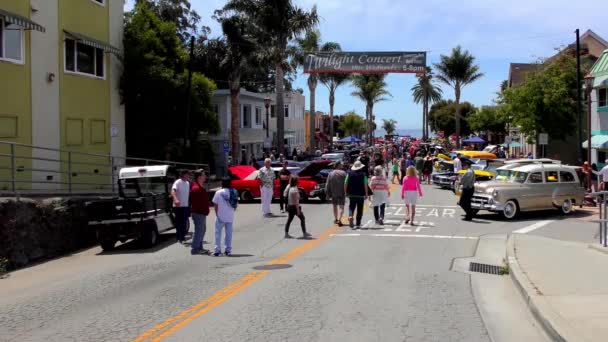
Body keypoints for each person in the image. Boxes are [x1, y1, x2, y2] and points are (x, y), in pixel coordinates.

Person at [212, 177, 238, 256]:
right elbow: (235, 205)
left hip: (220, 216)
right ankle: (228, 250)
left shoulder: (218, 192)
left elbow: (215, 204)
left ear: (222, 183)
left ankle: (217, 251)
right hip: (229, 216)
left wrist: (217, 214)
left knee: (218, 234)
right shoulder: (234, 191)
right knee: (228, 234)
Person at [189, 170, 210, 255]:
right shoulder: (196, 188)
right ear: (199, 177)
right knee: (199, 230)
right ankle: (195, 249)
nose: (205, 176)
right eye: (204, 175)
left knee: (202, 230)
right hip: (199, 213)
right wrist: (203, 211)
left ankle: (199, 247)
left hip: (201, 213)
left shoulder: (199, 187)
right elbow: (196, 203)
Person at [345, 160, 369, 229]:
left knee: (351, 207)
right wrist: (366, 194)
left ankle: (350, 216)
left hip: (351, 193)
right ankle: (358, 222)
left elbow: (345, 183)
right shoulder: (363, 175)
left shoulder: (349, 173)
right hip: (360, 194)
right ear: (360, 167)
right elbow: (365, 185)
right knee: (360, 208)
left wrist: (345, 192)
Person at [171, 170, 191, 244]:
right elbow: (173, 191)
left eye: (188, 174)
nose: (188, 175)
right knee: (179, 222)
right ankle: (180, 237)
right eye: (187, 174)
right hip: (178, 206)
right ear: (183, 175)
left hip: (185, 205)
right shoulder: (177, 182)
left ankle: (181, 236)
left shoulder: (187, 183)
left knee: (184, 221)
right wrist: (175, 199)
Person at [326, 161, 347, 226]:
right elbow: (346, 183)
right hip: (342, 192)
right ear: (338, 165)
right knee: (341, 207)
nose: (342, 165)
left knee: (334, 205)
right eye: (341, 164)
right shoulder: (343, 173)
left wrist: (327, 193)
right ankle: (340, 219)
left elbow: (327, 184)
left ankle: (336, 219)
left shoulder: (330, 173)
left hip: (333, 192)